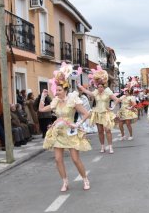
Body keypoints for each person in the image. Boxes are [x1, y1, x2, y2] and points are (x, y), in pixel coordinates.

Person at [39, 63, 91, 192]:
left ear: (65, 90)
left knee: (75, 159)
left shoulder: (72, 100)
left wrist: (77, 124)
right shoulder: (56, 101)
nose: (57, 92)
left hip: (70, 131)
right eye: (56, 90)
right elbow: (41, 109)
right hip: (58, 132)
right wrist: (43, 96)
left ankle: (85, 178)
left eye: (59, 90)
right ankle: (65, 181)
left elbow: (86, 114)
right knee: (58, 159)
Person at [79, 67, 120, 153]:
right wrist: (80, 86)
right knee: (100, 131)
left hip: (105, 113)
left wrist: (112, 107)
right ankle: (102, 146)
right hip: (97, 113)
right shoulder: (96, 92)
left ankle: (110, 146)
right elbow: (88, 92)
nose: (99, 88)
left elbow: (116, 99)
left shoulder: (108, 91)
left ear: (104, 86)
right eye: (98, 87)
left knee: (107, 130)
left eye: (101, 87)